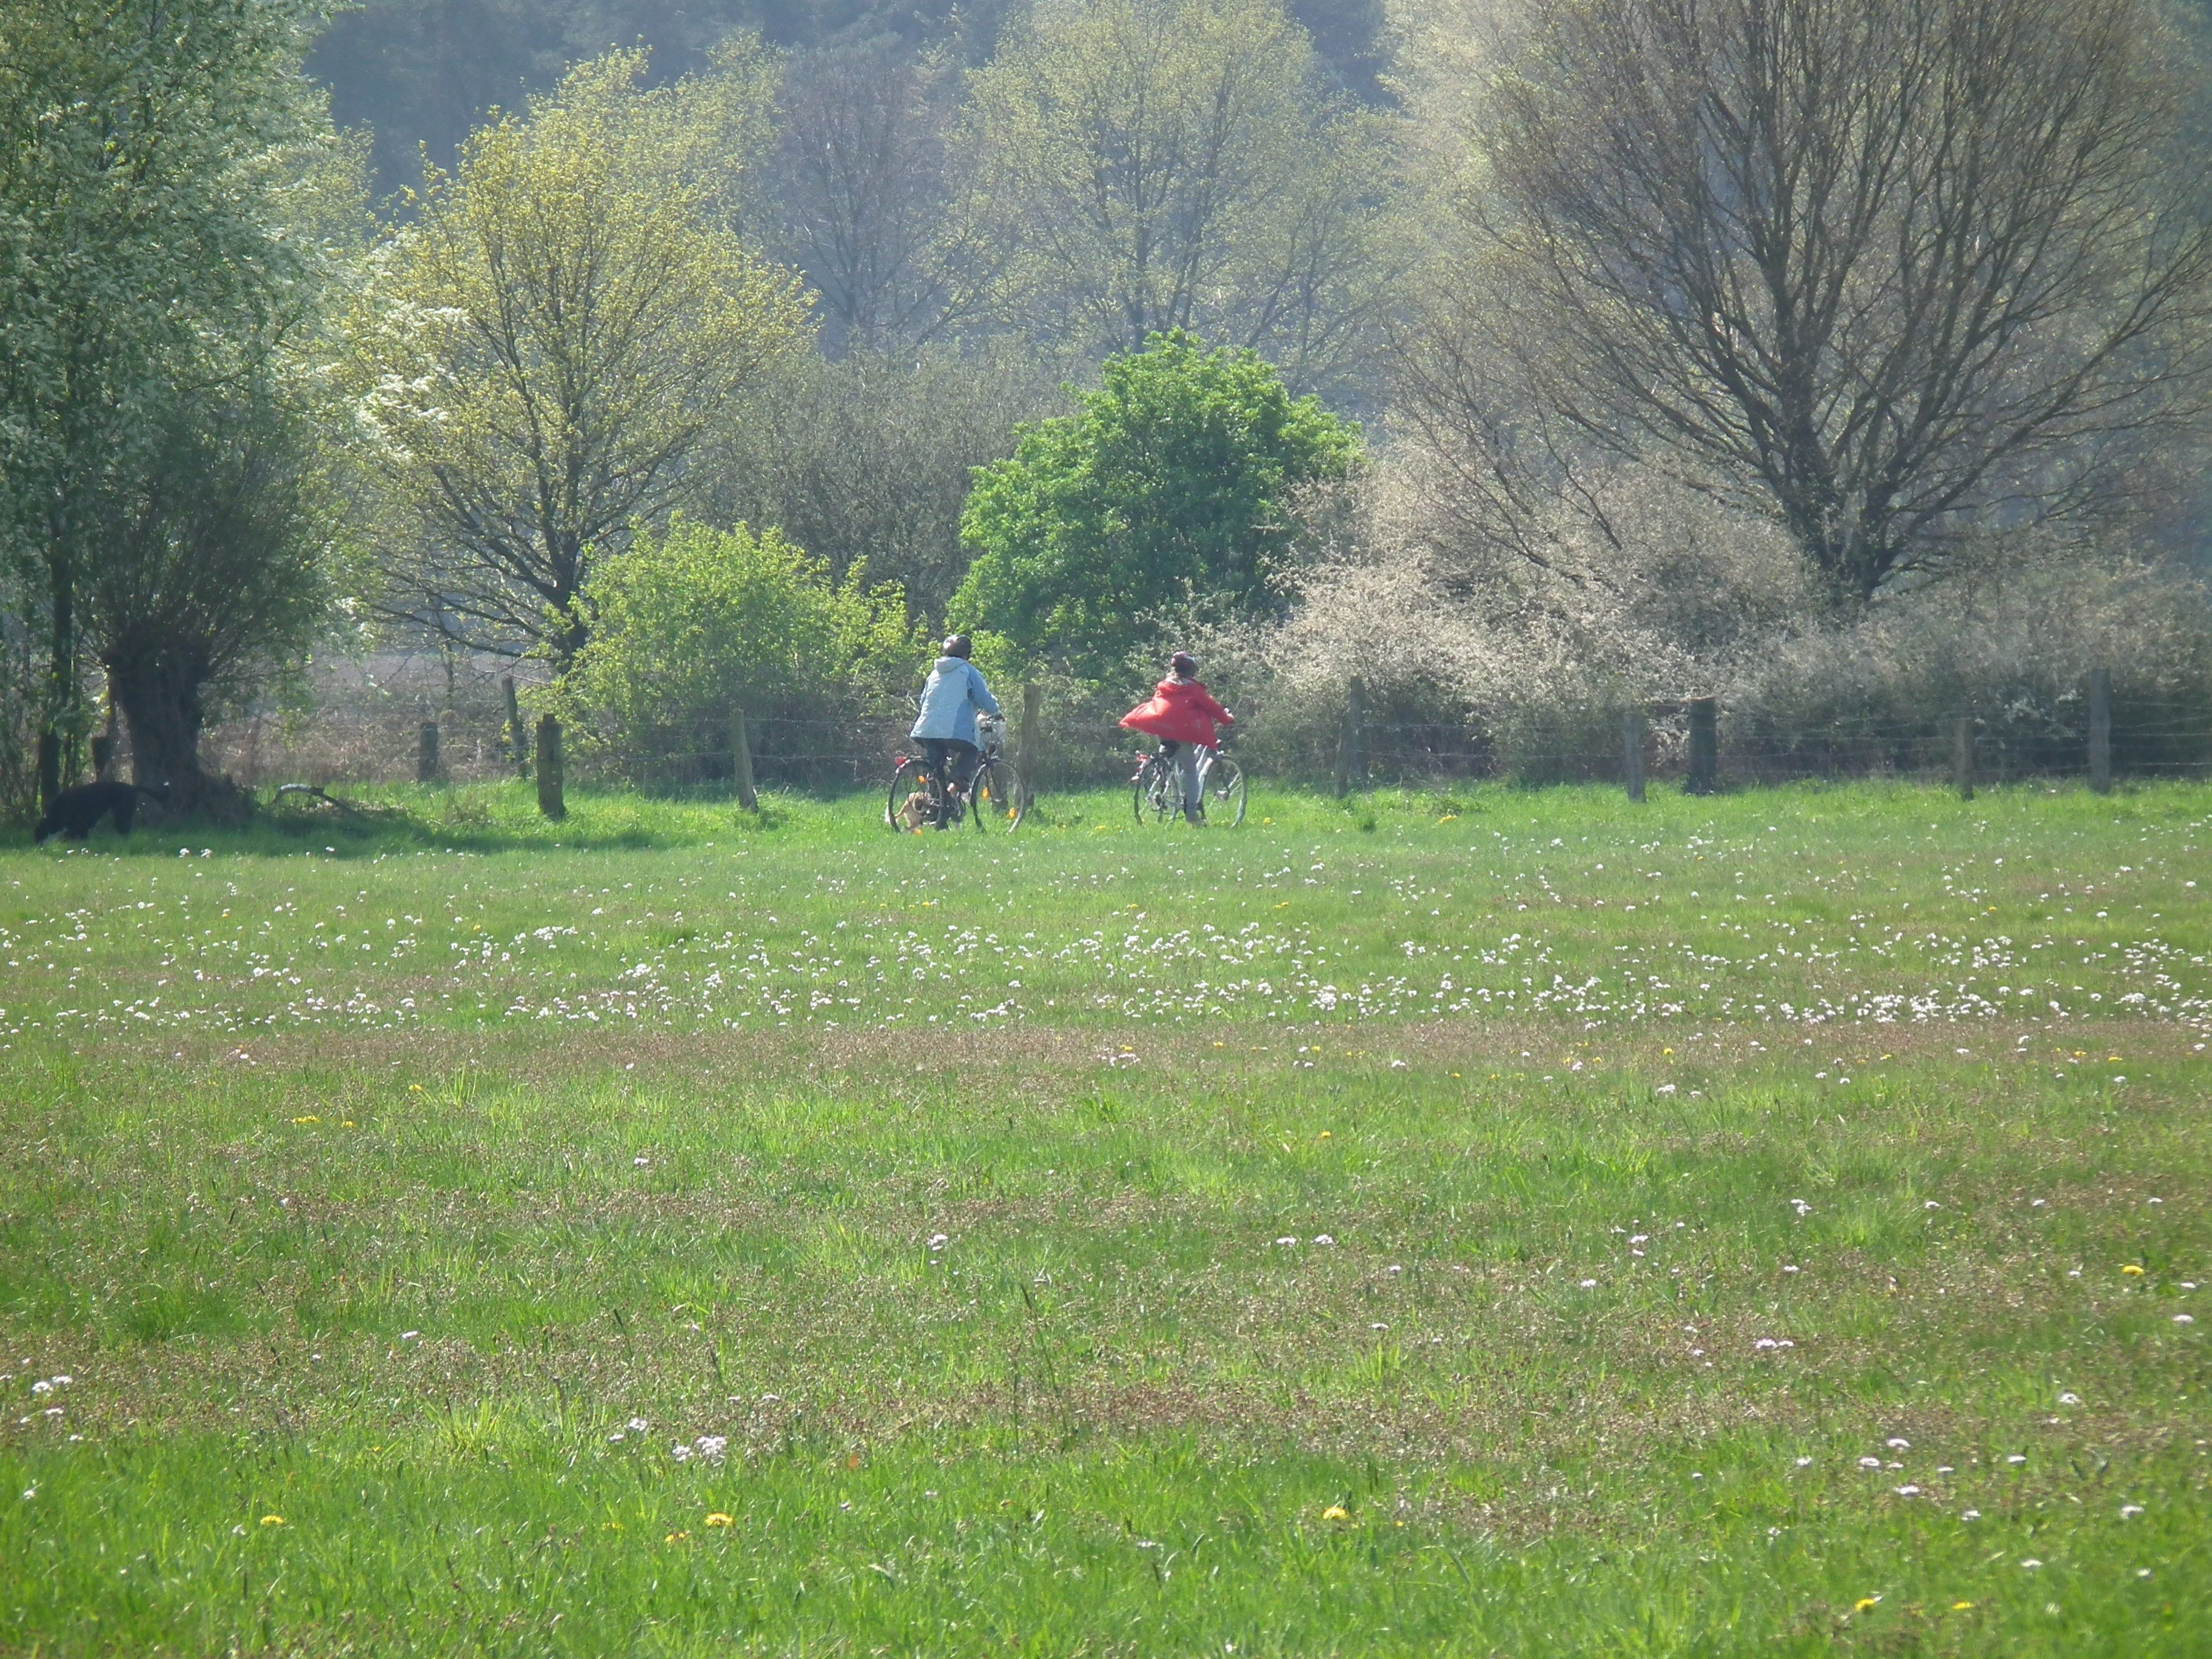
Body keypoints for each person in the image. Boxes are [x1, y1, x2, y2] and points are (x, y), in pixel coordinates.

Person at [1121, 651, 1235, 823]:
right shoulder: (1193, 689)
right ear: (1192, 671)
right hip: (1181, 731)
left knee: (1169, 752)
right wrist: (1227, 719)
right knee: (1191, 771)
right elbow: (1213, 708)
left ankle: (1161, 779)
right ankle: (1191, 815)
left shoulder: (1164, 685)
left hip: (1160, 727)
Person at [910, 634, 1000, 826]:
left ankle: (938, 814)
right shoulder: (968, 671)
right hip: (954, 731)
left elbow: (922, 701)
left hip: (925, 730)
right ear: (967, 655)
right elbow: (984, 699)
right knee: (972, 751)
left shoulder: (934, 674)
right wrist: (997, 712)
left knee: (936, 768)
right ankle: (954, 786)